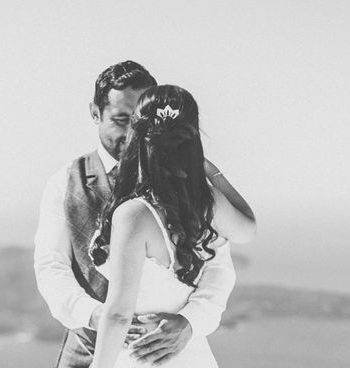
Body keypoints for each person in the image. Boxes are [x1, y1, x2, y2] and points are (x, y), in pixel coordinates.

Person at [34, 61, 256, 368]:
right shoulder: (65, 182)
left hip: (171, 347)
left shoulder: (188, 189)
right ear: (95, 113)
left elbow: (218, 266)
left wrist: (190, 322)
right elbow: (51, 267)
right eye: (120, 119)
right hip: (86, 346)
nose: (130, 134)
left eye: (138, 121)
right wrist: (93, 315)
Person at [89, 84, 235, 367]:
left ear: (138, 137)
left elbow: (119, 314)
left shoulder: (133, 215)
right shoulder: (201, 205)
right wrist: (207, 169)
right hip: (194, 357)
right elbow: (243, 233)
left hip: (141, 357)